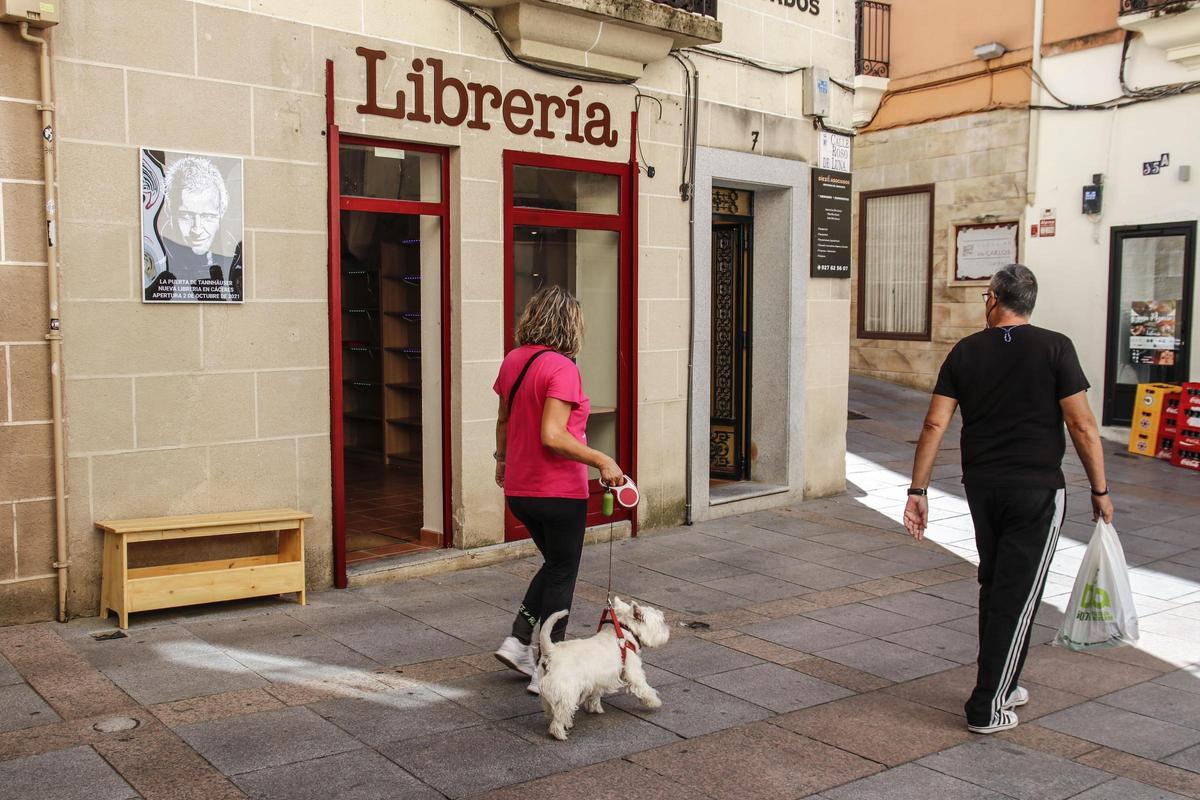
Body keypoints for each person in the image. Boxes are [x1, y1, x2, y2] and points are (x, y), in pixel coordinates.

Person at [903, 263, 1114, 735]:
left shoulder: (965, 352)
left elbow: (934, 425)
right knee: (1017, 594)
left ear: (993, 298)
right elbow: (1081, 425)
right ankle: (988, 705)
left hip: (982, 487)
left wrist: (918, 491)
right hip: (1035, 491)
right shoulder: (1056, 347)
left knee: (997, 586)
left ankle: (1004, 681)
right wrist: (1100, 490)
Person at [491, 286, 624, 696]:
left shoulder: (514, 360)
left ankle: (517, 641)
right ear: (571, 325)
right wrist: (603, 460)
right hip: (557, 491)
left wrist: (502, 461)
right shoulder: (562, 368)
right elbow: (553, 435)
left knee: (553, 565)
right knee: (563, 572)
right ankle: (548, 667)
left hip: (520, 488)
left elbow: (503, 419)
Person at [146, 155, 243, 302]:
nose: (197, 230)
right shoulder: (158, 264)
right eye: (186, 216)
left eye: (208, 216)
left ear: (221, 212)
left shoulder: (233, 261)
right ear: (169, 210)